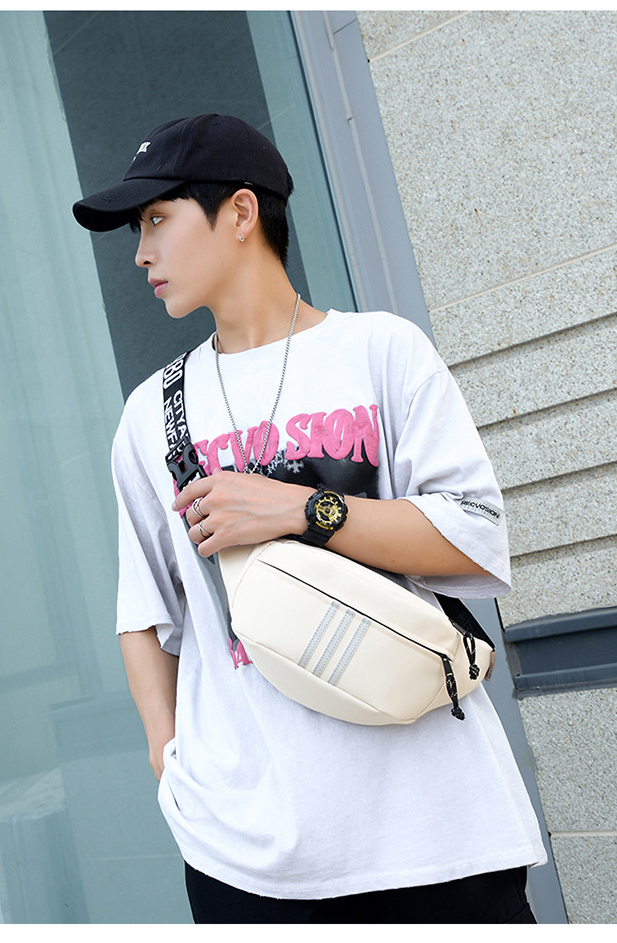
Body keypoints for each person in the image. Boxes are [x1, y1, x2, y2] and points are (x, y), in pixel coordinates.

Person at [73, 113, 547, 923]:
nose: (141, 252)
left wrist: (300, 509)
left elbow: (473, 537)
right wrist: (171, 759)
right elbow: (145, 612)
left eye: (156, 219)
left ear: (241, 213)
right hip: (250, 854)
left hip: (437, 824)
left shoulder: (382, 351)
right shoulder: (153, 413)